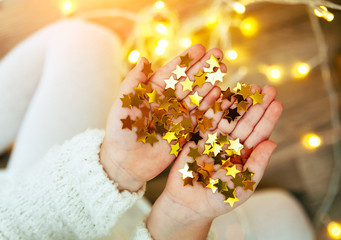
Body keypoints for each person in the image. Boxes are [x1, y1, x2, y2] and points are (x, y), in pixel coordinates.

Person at [0, 19, 314, 239]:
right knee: (280, 214)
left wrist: (114, 167)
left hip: (28, 209)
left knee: (84, 43)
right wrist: (179, 220)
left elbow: (13, 226)